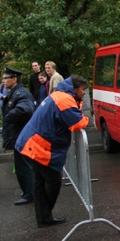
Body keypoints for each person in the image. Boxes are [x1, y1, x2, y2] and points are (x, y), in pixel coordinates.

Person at [15, 75, 90, 228]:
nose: (84, 93)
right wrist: (86, 118)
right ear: (74, 88)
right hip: (38, 146)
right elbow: (78, 123)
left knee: (40, 182)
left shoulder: (60, 95)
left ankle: (44, 218)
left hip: (32, 143)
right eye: (83, 90)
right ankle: (45, 215)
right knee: (53, 179)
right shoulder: (64, 100)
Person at [1, 67, 36, 205]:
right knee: (22, 166)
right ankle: (28, 192)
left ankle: (29, 194)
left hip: (22, 136)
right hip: (18, 136)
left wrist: (8, 117)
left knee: (24, 166)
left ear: (14, 79)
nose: (3, 81)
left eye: (5, 78)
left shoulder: (20, 93)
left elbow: (25, 110)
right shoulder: (14, 92)